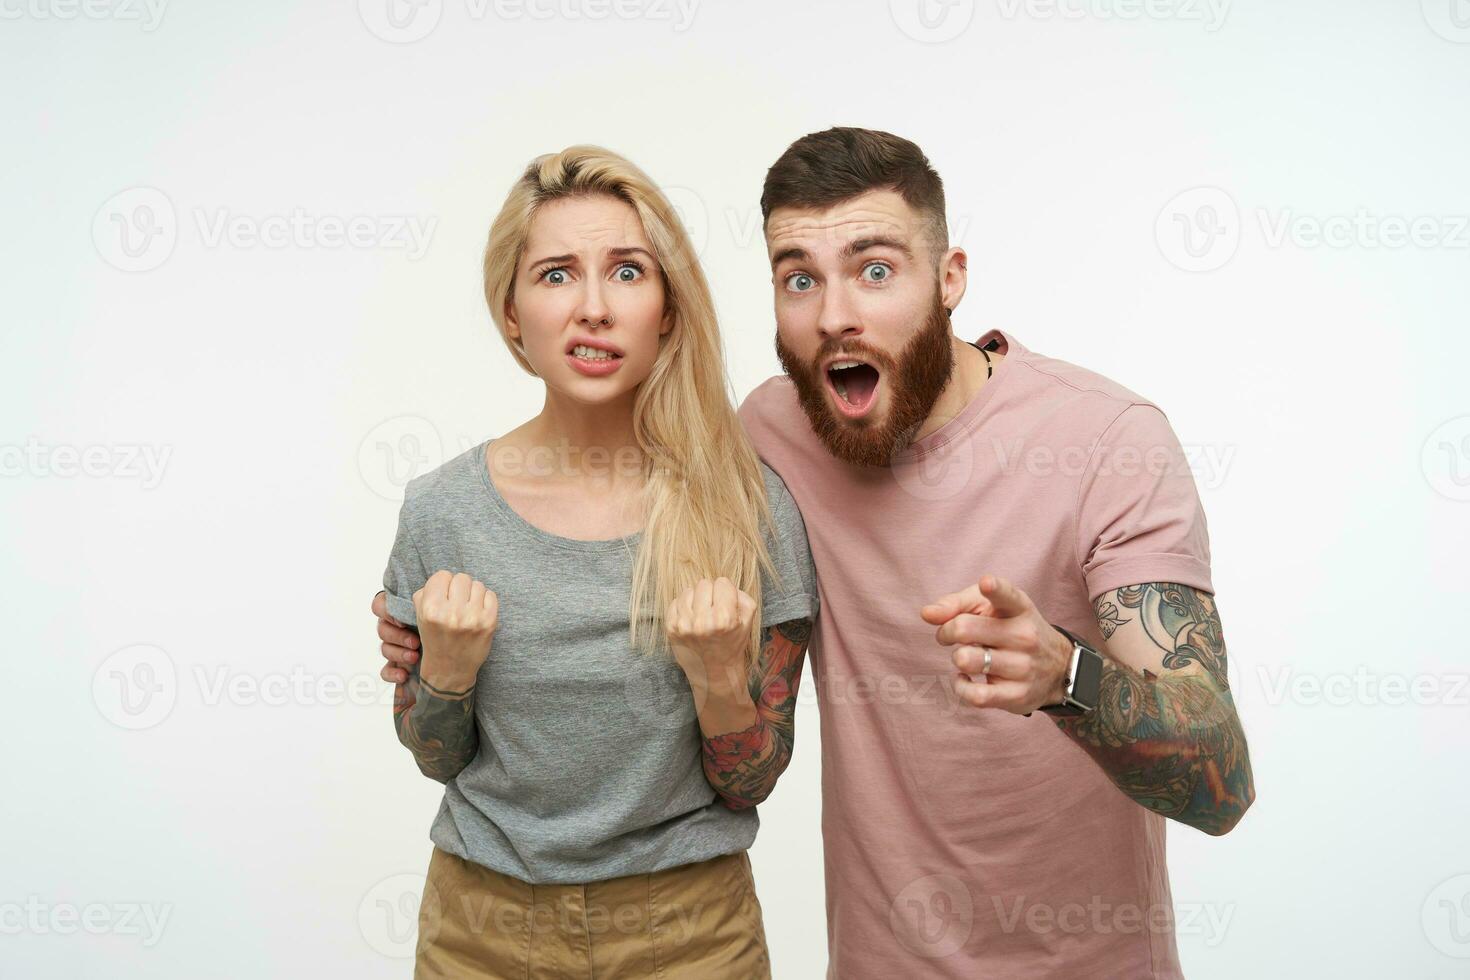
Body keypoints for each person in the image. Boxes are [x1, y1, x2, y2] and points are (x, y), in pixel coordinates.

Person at [378, 127, 1257, 979]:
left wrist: (1067, 675)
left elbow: (1222, 786)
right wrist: (433, 654)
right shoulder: (771, 438)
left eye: (876, 270)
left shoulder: (1107, 442)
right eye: (800, 279)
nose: (836, 315)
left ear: (952, 278)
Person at [374, 144, 818, 979]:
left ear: (668, 309)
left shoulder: (749, 507)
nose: (592, 309)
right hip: (481, 927)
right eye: (553, 276)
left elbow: (751, 782)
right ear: (510, 312)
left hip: (691, 932)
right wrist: (449, 677)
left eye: (625, 272)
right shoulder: (442, 509)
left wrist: (720, 678)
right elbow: (434, 755)